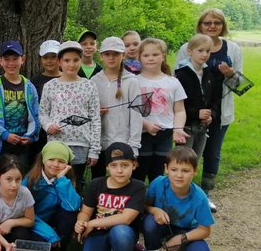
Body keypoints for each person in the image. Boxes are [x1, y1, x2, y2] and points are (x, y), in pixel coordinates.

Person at [175, 9, 243, 213]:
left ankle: (205, 194)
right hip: (191, 112)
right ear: (200, 25)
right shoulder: (187, 47)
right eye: (207, 22)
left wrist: (230, 74)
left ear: (223, 25)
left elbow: (241, 85)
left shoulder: (233, 49)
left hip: (219, 109)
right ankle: (183, 191)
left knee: (212, 153)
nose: (212, 26)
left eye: (217, 22)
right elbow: (176, 81)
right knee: (187, 153)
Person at [136, 147, 214, 251]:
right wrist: (154, 210)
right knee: (149, 222)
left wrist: (182, 238)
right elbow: (143, 206)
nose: (179, 175)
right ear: (166, 168)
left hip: (185, 230)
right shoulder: (158, 183)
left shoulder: (200, 197)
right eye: (174, 169)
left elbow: (205, 230)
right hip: (161, 225)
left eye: (185, 170)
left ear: (195, 171)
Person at [75, 142, 145, 251]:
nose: (119, 170)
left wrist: (92, 223)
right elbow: (85, 212)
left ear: (134, 165)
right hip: (98, 233)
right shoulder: (96, 184)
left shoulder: (138, 187)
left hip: (122, 231)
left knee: (121, 233)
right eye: (114, 165)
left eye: (125, 165)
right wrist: (81, 222)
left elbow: (126, 218)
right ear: (107, 167)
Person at [39, 41, 101, 193]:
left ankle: (73, 213)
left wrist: (94, 150)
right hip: (56, 144)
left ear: (81, 60)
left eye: (75, 60)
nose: (71, 64)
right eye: (67, 60)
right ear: (59, 62)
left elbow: (95, 118)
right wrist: (48, 126)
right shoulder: (51, 85)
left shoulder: (89, 85)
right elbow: (42, 113)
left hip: (80, 144)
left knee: (75, 183)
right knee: (53, 182)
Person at [22, 141, 81, 251]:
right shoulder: (30, 181)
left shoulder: (65, 179)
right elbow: (24, 213)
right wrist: (50, 234)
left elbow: (73, 206)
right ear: (43, 160)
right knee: (39, 245)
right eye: (51, 159)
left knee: (70, 214)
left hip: (55, 222)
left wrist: (61, 180)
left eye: (61, 161)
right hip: (33, 223)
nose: (55, 164)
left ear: (67, 164)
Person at [134, 38, 188, 184]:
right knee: (138, 172)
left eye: (155, 54)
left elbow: (179, 110)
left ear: (163, 56)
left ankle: (155, 203)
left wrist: (178, 129)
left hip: (165, 134)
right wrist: (145, 124)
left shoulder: (173, 82)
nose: (151, 58)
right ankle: (138, 204)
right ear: (139, 57)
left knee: (158, 174)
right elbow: (130, 111)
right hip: (141, 134)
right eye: (146, 55)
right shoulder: (133, 82)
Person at [0, 40, 40, 176]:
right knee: (1, 179)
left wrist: (31, 137)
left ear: (23, 59)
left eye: (15, 59)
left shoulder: (29, 87)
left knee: (20, 179)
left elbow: (36, 116)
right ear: (0, 61)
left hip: (23, 145)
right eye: (7, 59)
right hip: (1, 146)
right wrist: (5, 135)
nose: (11, 63)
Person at [91, 37, 142, 178]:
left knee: (121, 181)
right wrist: (96, 113)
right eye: (107, 54)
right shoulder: (94, 81)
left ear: (123, 55)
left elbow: (137, 116)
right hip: (99, 144)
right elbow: (88, 112)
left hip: (123, 143)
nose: (111, 58)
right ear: (101, 56)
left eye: (116, 54)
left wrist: (133, 148)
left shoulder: (132, 81)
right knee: (100, 182)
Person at [174, 34, 221, 161]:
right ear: (190, 51)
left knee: (195, 160)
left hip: (203, 126)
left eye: (208, 51)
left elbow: (214, 99)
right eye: (200, 50)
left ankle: (191, 181)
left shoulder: (209, 74)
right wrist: (196, 113)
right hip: (186, 126)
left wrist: (212, 115)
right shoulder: (181, 74)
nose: (204, 54)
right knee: (183, 159)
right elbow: (178, 104)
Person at [29, 39, 61, 159]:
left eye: (54, 56)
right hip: (39, 135)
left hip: (62, 133)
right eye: (46, 57)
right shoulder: (34, 82)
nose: (49, 60)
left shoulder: (69, 79)